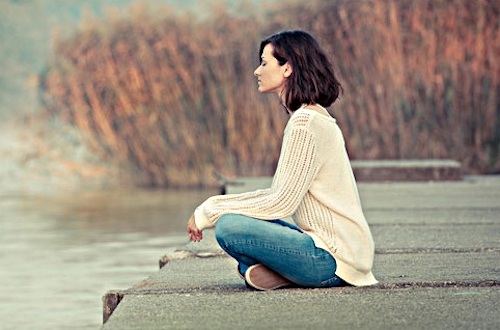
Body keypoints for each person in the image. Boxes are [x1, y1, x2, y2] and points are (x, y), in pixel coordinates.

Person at [187, 30, 378, 290]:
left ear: (287, 68)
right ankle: (278, 274)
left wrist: (209, 209)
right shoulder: (315, 116)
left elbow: (281, 201)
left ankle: (285, 273)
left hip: (332, 260)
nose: (257, 71)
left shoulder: (305, 123)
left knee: (229, 226)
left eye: (264, 63)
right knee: (242, 220)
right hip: (336, 251)